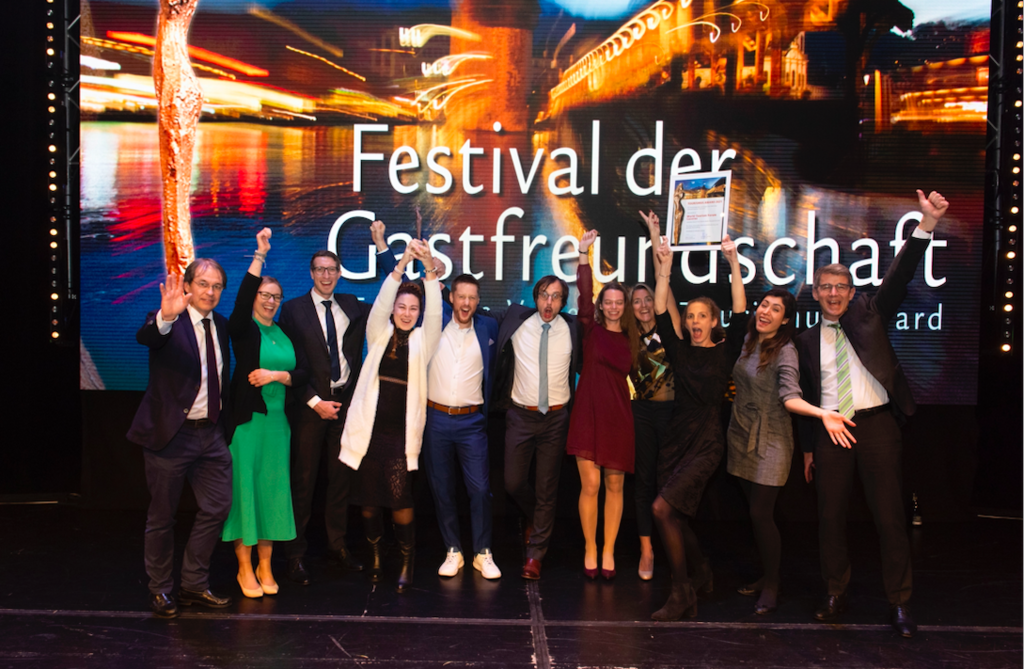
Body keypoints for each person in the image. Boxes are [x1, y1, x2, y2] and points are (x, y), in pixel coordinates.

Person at [796, 189, 949, 638]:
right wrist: (809, 450)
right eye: (825, 287)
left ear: (851, 291)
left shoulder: (871, 312)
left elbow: (901, 274)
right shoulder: (806, 339)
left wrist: (927, 224)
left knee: (889, 518)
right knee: (830, 517)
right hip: (831, 430)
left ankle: (899, 602)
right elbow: (806, 394)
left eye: (840, 287)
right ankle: (834, 592)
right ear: (817, 293)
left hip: (878, 424)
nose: (833, 294)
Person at [277, 222, 396, 585]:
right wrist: (315, 402)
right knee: (304, 482)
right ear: (311, 274)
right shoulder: (293, 310)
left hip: (346, 407)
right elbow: (291, 366)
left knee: (341, 481)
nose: (326, 275)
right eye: (320, 270)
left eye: (332, 269)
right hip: (310, 409)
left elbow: (390, 296)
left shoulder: (351, 306)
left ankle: (337, 545)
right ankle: (295, 554)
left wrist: (381, 245)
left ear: (340, 273)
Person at [727, 288, 855, 615]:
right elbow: (739, 309)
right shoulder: (748, 340)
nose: (765, 312)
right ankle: (766, 575)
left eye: (775, 309)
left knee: (760, 513)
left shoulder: (785, 351)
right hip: (741, 433)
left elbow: (790, 396)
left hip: (771, 438)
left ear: (785, 320)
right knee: (754, 514)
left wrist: (822, 413)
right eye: (764, 305)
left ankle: (772, 583)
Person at [127, 258, 234, 618]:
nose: (210, 292)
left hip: (211, 436)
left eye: (217, 286)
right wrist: (167, 316)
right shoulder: (167, 319)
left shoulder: (220, 324)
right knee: (162, 517)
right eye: (203, 284)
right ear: (187, 287)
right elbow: (148, 337)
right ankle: (160, 589)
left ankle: (193, 584)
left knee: (218, 507)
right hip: (171, 436)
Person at [649, 234, 746, 620]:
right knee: (674, 515)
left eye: (701, 317)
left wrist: (733, 262)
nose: (693, 322)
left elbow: (740, 309)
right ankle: (702, 568)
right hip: (675, 439)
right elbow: (660, 309)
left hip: (706, 442)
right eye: (689, 317)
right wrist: (665, 268)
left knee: (661, 509)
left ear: (713, 321)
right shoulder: (680, 350)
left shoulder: (726, 352)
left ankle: (681, 590)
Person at [340, 240, 442, 593]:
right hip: (368, 434)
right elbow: (381, 302)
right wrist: (401, 264)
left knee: (400, 502)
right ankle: (376, 557)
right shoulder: (378, 333)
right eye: (402, 306)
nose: (407, 312)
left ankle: (406, 560)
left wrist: (428, 268)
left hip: (399, 437)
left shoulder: (423, 342)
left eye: (414, 308)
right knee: (368, 504)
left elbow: (434, 315)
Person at [221, 228, 304, 598]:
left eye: (276, 297)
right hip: (248, 424)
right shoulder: (243, 329)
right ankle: (243, 568)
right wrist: (259, 256)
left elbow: (303, 373)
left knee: (271, 494)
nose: (271, 302)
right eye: (265, 295)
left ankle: (266, 566)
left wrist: (279, 375)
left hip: (278, 426)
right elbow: (239, 306)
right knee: (246, 494)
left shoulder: (283, 332)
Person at [494, 274, 581, 580]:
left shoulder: (572, 328)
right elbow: (469, 306)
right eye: (544, 295)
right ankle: (536, 517)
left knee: (547, 488)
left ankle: (536, 555)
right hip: (520, 416)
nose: (549, 302)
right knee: (513, 483)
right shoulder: (516, 320)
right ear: (535, 297)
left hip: (556, 418)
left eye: (556, 297)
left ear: (563, 302)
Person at [565, 229, 640, 580]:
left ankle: (608, 548)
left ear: (624, 307)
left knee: (614, 486)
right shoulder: (589, 329)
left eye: (618, 302)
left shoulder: (631, 338)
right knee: (590, 486)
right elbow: (583, 294)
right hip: (588, 414)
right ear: (600, 305)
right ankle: (590, 547)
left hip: (618, 417)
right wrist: (584, 255)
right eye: (607, 301)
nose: (612, 306)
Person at [424, 274, 502, 580]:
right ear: (451, 298)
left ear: (478, 301)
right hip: (437, 420)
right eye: (461, 297)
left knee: (481, 489)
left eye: (472, 297)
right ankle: (453, 550)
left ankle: (483, 554)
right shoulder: (436, 323)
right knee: (442, 489)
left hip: (472, 422)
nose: (466, 303)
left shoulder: (489, 328)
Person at [632, 211, 684, 580]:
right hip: (641, 415)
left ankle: (672, 544)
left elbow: (659, 276)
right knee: (643, 481)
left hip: (673, 415)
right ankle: (646, 549)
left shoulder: (670, 327)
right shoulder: (628, 336)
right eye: (637, 301)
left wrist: (655, 236)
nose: (644, 305)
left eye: (648, 299)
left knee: (671, 481)